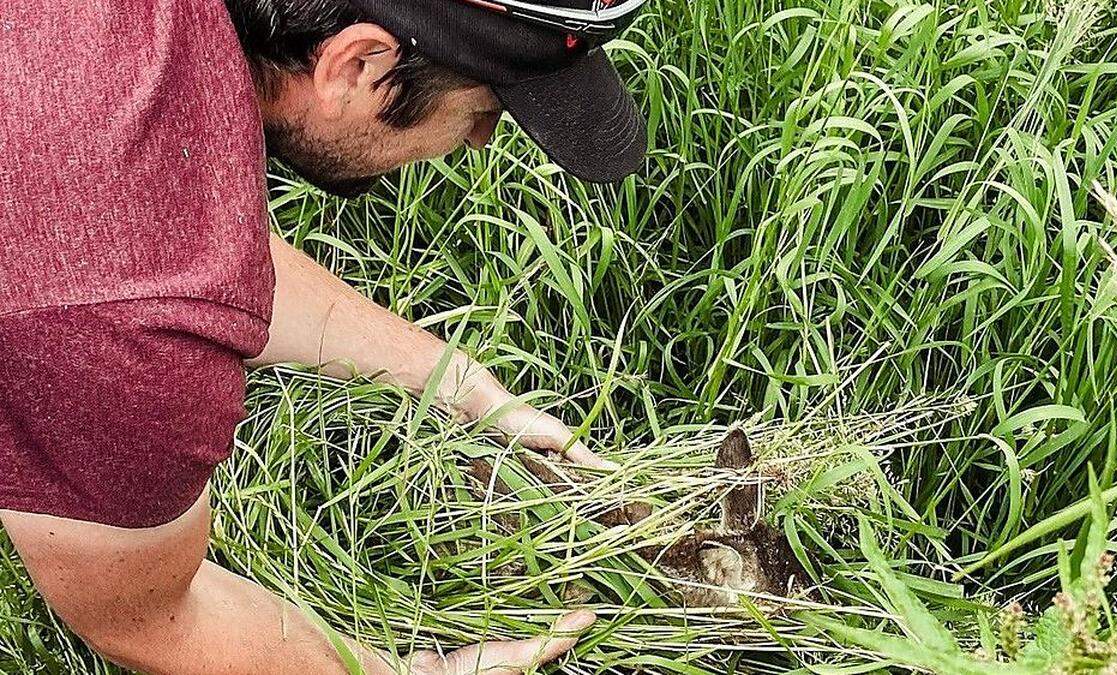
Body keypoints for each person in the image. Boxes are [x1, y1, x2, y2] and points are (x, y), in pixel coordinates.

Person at [0, 0, 647, 672]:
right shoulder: (121, 334)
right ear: (355, 64)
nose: (482, 138)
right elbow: (147, 618)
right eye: (483, 107)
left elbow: (169, 239)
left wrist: (456, 382)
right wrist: (409, 670)